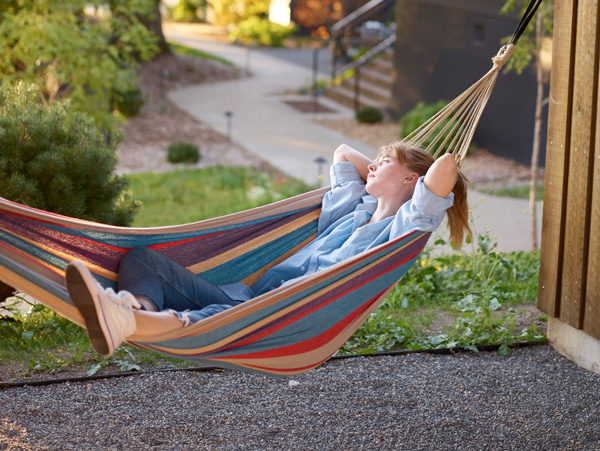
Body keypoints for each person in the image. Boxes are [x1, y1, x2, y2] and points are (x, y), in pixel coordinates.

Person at [65, 141, 471, 356]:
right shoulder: (353, 206)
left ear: (412, 182)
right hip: (251, 299)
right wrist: (387, 169)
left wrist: (419, 169)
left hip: (286, 314)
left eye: (386, 161)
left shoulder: (400, 231)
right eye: (378, 159)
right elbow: (343, 152)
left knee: (214, 320)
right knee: (141, 259)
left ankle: (127, 320)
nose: (375, 164)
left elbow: (443, 173)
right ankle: (136, 312)